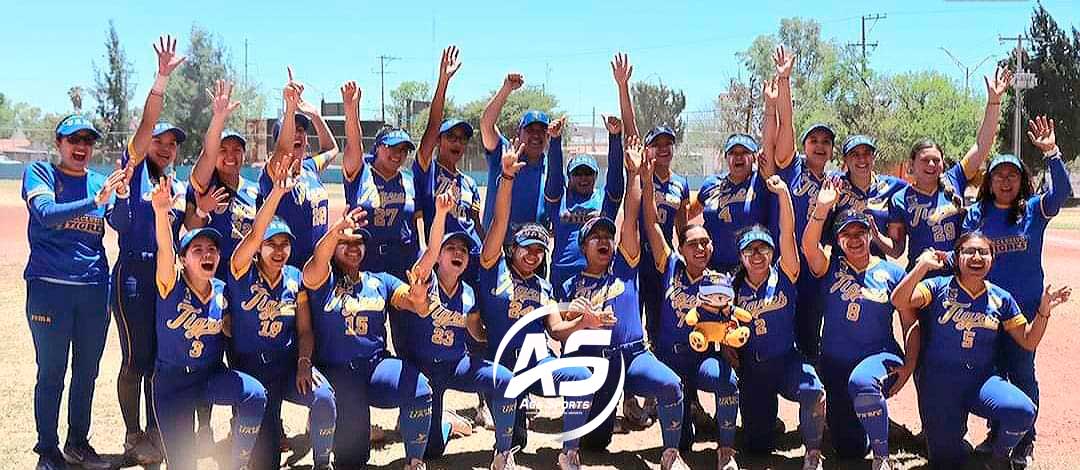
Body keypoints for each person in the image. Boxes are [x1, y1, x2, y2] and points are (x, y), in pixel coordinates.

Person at [560, 141, 690, 470]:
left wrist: (635, 175)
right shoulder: (570, 285)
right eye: (595, 237)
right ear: (583, 246)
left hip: (632, 357)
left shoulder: (625, 266)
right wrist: (581, 322)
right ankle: (569, 451)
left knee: (671, 384)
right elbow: (559, 333)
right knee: (598, 441)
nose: (604, 240)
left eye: (607, 236)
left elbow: (631, 217)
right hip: (595, 365)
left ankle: (670, 454)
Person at [892, 233, 1070, 469]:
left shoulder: (1001, 298)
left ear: (992, 260)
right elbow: (899, 300)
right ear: (957, 257)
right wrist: (922, 266)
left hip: (981, 382)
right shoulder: (937, 287)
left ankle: (998, 458)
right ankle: (954, 439)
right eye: (969, 251)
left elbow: (1028, 341)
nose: (977, 257)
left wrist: (1043, 311)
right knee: (946, 462)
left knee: (1023, 411)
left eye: (984, 252)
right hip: (939, 385)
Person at [962, 116, 1073, 467]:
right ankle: (998, 431)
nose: (1006, 181)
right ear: (989, 181)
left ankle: (1025, 438)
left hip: (1023, 309)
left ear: (1021, 180)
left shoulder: (1032, 210)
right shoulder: (977, 214)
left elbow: (1062, 193)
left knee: (1022, 371)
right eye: (999, 175)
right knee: (991, 371)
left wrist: (1052, 152)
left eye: (1012, 175)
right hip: (987, 309)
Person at [477, 141, 594, 470]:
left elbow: (556, 331)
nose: (533, 254)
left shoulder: (543, 286)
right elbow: (499, 222)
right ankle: (502, 454)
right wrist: (507, 179)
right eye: (527, 247)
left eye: (540, 250)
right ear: (512, 249)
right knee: (514, 434)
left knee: (580, 377)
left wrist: (582, 323)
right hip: (499, 366)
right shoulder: (493, 269)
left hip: (534, 364)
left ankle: (569, 452)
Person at [107, 34, 193, 464]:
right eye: (161, 140)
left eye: (173, 143)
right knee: (135, 359)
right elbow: (145, 125)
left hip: (168, 276)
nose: (166, 147)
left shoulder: (174, 186)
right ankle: (132, 433)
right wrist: (161, 79)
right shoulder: (135, 167)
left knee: (162, 357)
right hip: (134, 276)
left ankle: (159, 430)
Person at [23, 115, 126, 470]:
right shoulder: (40, 173)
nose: (81, 147)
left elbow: (122, 224)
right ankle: (47, 451)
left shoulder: (100, 181)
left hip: (94, 290)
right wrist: (93, 200)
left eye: (88, 140)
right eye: (73, 140)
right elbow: (46, 214)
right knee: (51, 371)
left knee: (87, 372)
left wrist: (123, 199)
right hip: (49, 288)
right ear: (59, 143)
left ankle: (77, 443)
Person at [148, 178, 267, 470]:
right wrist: (161, 213)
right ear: (184, 259)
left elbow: (254, 238)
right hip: (173, 383)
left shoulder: (223, 290)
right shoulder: (171, 284)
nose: (207, 254)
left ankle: (237, 464)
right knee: (183, 464)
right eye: (197, 250)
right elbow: (165, 249)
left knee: (255, 395)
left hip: (209, 377)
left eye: (212, 249)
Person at [226, 154, 336, 468]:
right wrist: (276, 193)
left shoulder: (295, 279)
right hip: (253, 373)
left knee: (324, 397)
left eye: (285, 244)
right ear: (259, 247)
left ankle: (323, 462)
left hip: (287, 368)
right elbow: (254, 234)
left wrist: (303, 363)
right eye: (271, 243)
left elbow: (304, 330)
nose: (279, 250)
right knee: (266, 460)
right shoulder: (240, 270)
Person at [302, 207, 434, 470]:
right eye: (345, 242)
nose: (353, 248)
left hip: (375, 368)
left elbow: (414, 303)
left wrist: (419, 298)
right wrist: (335, 231)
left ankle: (415, 461)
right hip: (339, 374)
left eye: (359, 242)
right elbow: (316, 262)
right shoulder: (322, 281)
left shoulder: (379, 281)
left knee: (420, 389)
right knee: (352, 461)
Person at [803, 183, 920, 469]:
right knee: (849, 450)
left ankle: (882, 458)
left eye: (860, 233)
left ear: (870, 234)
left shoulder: (891, 271)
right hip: (835, 364)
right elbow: (808, 247)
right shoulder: (830, 266)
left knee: (863, 383)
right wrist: (822, 207)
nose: (854, 239)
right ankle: (874, 423)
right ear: (838, 239)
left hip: (878, 358)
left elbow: (911, 324)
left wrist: (908, 367)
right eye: (846, 234)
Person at [399, 191, 518, 467]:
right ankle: (447, 425)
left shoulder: (468, 293)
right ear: (438, 257)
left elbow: (476, 331)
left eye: (463, 251)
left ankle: (503, 453)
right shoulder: (425, 280)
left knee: (505, 379)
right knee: (432, 451)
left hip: (456, 365)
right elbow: (428, 253)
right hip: (424, 371)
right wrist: (440, 214)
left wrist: (498, 340)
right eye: (450, 249)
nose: (458, 254)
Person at [640, 147, 741, 470]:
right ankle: (672, 454)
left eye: (705, 242)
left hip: (700, 362)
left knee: (728, 382)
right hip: (669, 363)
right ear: (681, 248)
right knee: (683, 441)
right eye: (693, 243)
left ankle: (726, 451)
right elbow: (652, 223)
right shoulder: (669, 265)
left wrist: (728, 346)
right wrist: (643, 178)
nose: (700, 247)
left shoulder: (719, 281)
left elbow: (727, 325)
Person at [730, 176, 827, 470]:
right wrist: (726, 350)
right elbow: (720, 328)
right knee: (757, 447)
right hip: (753, 369)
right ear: (742, 257)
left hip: (786, 361)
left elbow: (788, 232)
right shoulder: (732, 288)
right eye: (751, 251)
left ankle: (812, 451)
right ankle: (766, 422)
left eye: (764, 249)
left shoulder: (785, 274)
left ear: (772, 253)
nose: (758, 256)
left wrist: (784, 194)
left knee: (812, 390)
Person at [885, 67, 1012, 267]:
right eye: (925, 160)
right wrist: (873, 235)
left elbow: (982, 146)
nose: (931, 164)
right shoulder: (899, 200)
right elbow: (896, 249)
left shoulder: (955, 179)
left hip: (959, 275)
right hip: (922, 278)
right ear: (911, 165)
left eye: (937, 160)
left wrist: (994, 101)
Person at [768, 45, 832, 361]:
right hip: (779, 264)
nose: (819, 146)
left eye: (825, 142)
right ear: (804, 146)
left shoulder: (835, 185)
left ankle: (810, 400)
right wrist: (785, 81)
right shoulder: (791, 166)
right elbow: (787, 122)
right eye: (813, 141)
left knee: (808, 338)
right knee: (773, 332)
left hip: (812, 272)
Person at [413, 46, 485, 286]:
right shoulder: (427, 171)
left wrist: (487, 255)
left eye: (462, 138)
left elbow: (476, 222)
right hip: (440, 261)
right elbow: (432, 126)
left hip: (470, 258)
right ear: (439, 141)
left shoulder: (469, 183)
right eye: (451, 137)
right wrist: (443, 81)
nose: (457, 142)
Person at [261, 67, 339, 268]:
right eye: (291, 130)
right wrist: (290, 108)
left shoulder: (310, 168)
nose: (298, 134)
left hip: (319, 269)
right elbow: (284, 149)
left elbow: (332, 148)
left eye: (302, 130)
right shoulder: (274, 171)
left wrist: (314, 115)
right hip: (288, 271)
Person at [185, 79, 258, 281]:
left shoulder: (255, 191)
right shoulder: (206, 185)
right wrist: (202, 210)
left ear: (245, 154)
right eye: (223, 150)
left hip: (246, 275)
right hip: (213, 275)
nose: (230, 156)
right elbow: (191, 227)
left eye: (237, 150)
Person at [545, 113, 624, 298]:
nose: (583, 178)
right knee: (562, 322)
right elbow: (554, 175)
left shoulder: (605, 200)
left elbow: (615, 177)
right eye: (577, 173)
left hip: (597, 272)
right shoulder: (559, 199)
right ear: (569, 177)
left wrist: (614, 137)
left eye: (588, 173)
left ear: (596, 176)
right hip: (562, 272)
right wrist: (555, 140)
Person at [480, 72, 551, 231]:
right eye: (530, 129)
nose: (536, 135)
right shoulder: (505, 153)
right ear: (519, 133)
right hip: (497, 251)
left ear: (548, 137)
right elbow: (486, 125)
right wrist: (506, 89)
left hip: (533, 252)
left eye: (541, 130)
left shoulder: (552, 170)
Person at [693, 133, 772, 273]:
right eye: (732, 152)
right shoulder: (711, 184)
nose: (738, 157)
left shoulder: (762, 182)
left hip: (751, 269)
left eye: (745, 152)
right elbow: (688, 212)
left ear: (754, 157)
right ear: (726, 157)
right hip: (713, 268)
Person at [827, 135, 908, 257]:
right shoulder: (834, 183)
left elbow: (896, 252)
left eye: (867, 153)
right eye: (854, 154)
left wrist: (876, 236)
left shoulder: (894, 186)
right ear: (845, 159)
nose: (862, 159)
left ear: (874, 157)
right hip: (840, 266)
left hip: (876, 267)